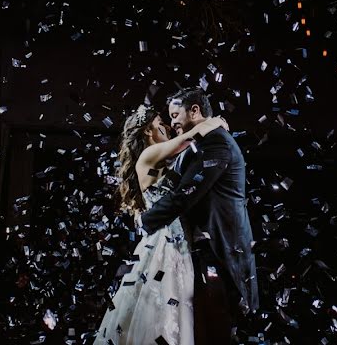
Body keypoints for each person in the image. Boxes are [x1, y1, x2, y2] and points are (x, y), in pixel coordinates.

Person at [95, 104, 225, 345]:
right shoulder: (148, 155)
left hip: (178, 240)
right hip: (164, 243)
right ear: (147, 131)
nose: (166, 126)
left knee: (175, 306)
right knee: (161, 303)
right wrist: (216, 122)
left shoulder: (163, 158)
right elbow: (188, 138)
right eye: (159, 124)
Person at [141, 87, 259, 345]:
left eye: (175, 115)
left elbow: (186, 195)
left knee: (218, 329)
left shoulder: (216, 142)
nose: (172, 123)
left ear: (194, 111)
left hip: (221, 250)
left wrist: (145, 221)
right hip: (197, 252)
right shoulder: (199, 143)